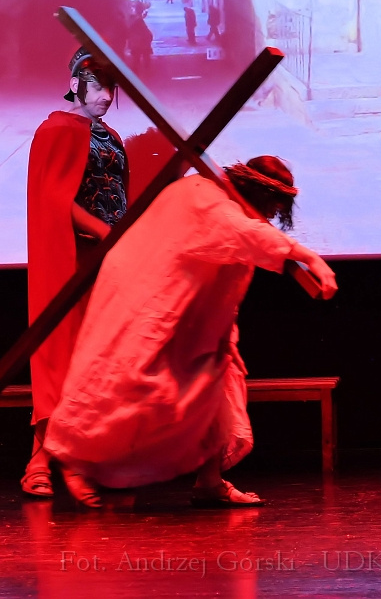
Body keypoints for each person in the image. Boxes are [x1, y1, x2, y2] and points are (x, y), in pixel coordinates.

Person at [43, 157, 338, 508]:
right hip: (149, 306)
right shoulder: (203, 195)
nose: (275, 212)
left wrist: (224, 335)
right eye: (274, 202)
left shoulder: (221, 203)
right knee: (125, 390)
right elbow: (243, 232)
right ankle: (75, 462)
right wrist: (310, 257)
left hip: (188, 316)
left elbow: (229, 265)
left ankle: (209, 481)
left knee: (214, 383)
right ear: (256, 192)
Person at [23, 47, 129, 498]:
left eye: (110, 88)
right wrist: (104, 232)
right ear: (76, 85)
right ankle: (39, 459)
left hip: (109, 262)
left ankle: (93, 458)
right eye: (97, 87)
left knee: (100, 358)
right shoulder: (56, 130)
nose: (105, 96)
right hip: (74, 259)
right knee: (62, 353)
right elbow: (53, 201)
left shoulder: (111, 135)